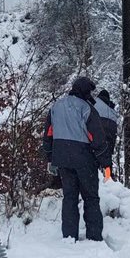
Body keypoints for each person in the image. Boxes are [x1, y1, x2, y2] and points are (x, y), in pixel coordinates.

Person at [42, 77, 112, 242]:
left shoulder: (56, 106)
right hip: (84, 160)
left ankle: (69, 236)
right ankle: (94, 237)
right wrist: (106, 163)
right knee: (91, 198)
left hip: (62, 160)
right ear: (85, 91)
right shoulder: (87, 109)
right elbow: (98, 139)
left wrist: (50, 157)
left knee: (69, 197)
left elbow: (48, 135)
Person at [93, 90, 118, 172]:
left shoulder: (93, 104)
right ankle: (108, 178)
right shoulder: (112, 110)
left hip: (96, 137)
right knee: (107, 162)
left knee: (94, 161)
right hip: (109, 139)